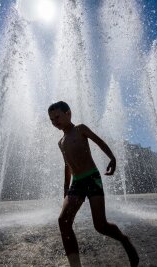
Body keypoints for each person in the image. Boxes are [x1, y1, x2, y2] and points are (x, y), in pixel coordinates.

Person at [48, 101, 139, 267]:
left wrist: (112, 158)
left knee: (100, 226)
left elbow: (99, 142)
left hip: (92, 178)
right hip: (76, 183)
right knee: (63, 221)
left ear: (68, 114)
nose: (55, 122)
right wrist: (65, 188)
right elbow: (67, 165)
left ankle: (124, 240)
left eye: (57, 117)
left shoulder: (80, 129)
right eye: (52, 120)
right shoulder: (60, 142)